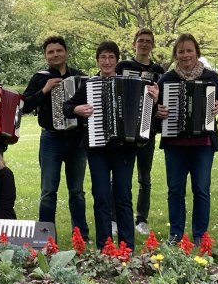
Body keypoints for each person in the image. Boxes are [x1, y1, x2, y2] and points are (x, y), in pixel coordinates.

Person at [64, 41, 158, 251]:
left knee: (123, 196)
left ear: (117, 60)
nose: (107, 61)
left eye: (111, 57)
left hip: (125, 148)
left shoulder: (133, 83)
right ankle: (105, 246)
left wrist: (154, 98)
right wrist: (78, 109)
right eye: (103, 57)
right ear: (97, 60)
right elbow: (67, 107)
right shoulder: (89, 84)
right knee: (101, 196)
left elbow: (147, 115)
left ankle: (126, 247)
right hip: (97, 148)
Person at [155, 33, 218, 245]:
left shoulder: (211, 77)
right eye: (181, 51)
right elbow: (153, 110)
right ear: (176, 55)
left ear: (196, 52)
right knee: (175, 190)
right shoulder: (167, 79)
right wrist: (158, 112)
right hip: (174, 144)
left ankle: (199, 235)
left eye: (189, 50)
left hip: (203, 145)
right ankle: (176, 234)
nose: (185, 55)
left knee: (201, 189)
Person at [22, 36, 89, 240]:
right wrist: (44, 90)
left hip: (76, 139)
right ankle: (45, 237)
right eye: (50, 52)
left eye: (59, 50)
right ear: (45, 56)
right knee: (48, 191)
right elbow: (24, 106)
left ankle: (81, 236)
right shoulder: (40, 78)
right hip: (51, 139)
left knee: (76, 191)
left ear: (66, 52)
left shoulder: (80, 77)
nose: (55, 55)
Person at [115, 28, 166, 236]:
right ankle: (115, 218)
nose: (144, 44)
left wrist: (158, 105)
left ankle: (141, 219)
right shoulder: (123, 66)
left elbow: (162, 102)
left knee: (145, 177)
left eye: (148, 41)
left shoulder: (158, 71)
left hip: (148, 131)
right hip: (124, 130)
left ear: (152, 45)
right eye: (141, 41)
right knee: (119, 177)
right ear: (134, 43)